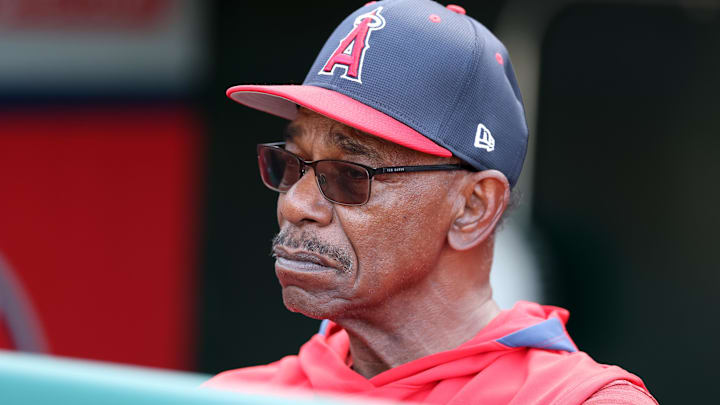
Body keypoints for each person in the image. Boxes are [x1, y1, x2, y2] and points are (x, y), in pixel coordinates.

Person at [205, 1, 657, 403]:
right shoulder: (232, 398)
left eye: (349, 175)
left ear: (473, 208)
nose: (295, 204)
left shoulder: (574, 400)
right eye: (292, 163)